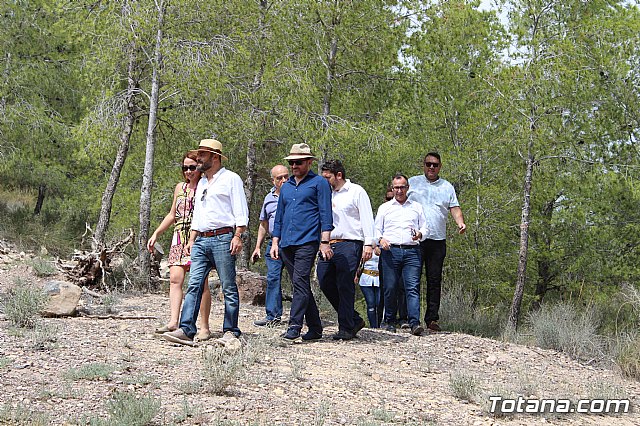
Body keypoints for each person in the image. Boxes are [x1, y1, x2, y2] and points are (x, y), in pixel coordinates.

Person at [163, 139, 249, 347]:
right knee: (194, 284)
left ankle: (231, 330)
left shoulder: (231, 179)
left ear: (215, 157)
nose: (198, 158)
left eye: (202, 154)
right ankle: (187, 329)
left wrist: (238, 235)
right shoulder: (202, 182)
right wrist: (192, 239)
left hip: (223, 238)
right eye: (198, 154)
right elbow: (198, 215)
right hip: (200, 240)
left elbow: (241, 210)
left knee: (228, 285)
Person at [270, 143, 333, 342]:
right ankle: (315, 328)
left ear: (308, 162)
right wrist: (275, 241)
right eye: (292, 163)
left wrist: (325, 241)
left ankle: (294, 326)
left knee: (299, 282)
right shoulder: (286, 186)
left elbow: (326, 213)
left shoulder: (319, 183)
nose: (294, 166)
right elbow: (279, 215)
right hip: (286, 242)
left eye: (298, 162)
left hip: (307, 240)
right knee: (301, 284)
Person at [146, 151, 212, 341]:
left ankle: (204, 327)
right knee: (175, 278)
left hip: (198, 237)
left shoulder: (205, 186)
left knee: (201, 282)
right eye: (185, 168)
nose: (189, 171)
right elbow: (172, 214)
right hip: (179, 237)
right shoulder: (180, 188)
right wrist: (157, 233)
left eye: (192, 167)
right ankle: (174, 321)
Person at [317, 160, 375, 340]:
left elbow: (367, 217)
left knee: (345, 283)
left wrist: (368, 243)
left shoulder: (356, 191)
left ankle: (346, 327)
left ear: (339, 175)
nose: (325, 180)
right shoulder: (325, 194)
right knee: (324, 280)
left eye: (328, 177)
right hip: (328, 242)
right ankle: (354, 318)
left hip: (350, 243)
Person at [408, 152, 466, 332]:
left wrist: (460, 223)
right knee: (412, 280)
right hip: (415, 240)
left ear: (440, 166)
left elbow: (454, 208)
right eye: (428, 164)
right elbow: (398, 200)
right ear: (423, 165)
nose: (431, 167)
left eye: (435, 165)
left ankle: (432, 319)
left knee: (434, 280)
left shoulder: (447, 186)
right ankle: (411, 319)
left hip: (437, 240)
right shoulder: (413, 182)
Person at [375, 174, 427, 336]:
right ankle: (389, 321)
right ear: (392, 189)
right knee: (390, 287)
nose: (399, 190)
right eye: (396, 187)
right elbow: (376, 229)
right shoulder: (385, 208)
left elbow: (426, 228)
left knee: (412, 287)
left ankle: (414, 322)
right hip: (391, 251)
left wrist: (419, 234)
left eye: (402, 187)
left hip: (412, 251)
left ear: (407, 188)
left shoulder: (416, 207)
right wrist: (381, 239)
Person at [251, 164, 289, 327]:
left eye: (286, 176)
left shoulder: (296, 195)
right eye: (279, 178)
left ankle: (305, 316)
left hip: (293, 244)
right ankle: (272, 316)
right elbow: (263, 224)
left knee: (299, 280)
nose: (284, 180)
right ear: (272, 180)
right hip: (273, 244)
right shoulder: (269, 198)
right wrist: (257, 246)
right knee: (273, 278)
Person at [356, 244, 381, 328]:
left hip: (379, 278)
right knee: (371, 303)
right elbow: (357, 262)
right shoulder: (363, 246)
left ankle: (381, 324)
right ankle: (373, 326)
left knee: (379, 302)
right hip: (366, 278)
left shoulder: (382, 246)